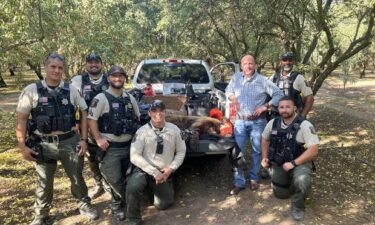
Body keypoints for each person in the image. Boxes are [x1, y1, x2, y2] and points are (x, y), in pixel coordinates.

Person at [15, 53, 98, 225]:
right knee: (44, 181)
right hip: (43, 144)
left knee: (76, 176)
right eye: (53, 66)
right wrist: (22, 146)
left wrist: (83, 139)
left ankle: (84, 204)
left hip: (69, 141)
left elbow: (83, 112)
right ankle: (41, 214)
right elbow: (22, 119)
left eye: (60, 67)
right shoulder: (32, 90)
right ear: (45, 67)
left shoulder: (71, 89)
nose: (56, 70)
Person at [225, 53, 283, 195]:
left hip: (258, 122)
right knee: (238, 153)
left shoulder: (263, 80)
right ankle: (239, 182)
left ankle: (254, 179)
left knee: (257, 151)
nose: (248, 66)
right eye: (245, 63)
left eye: (251, 63)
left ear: (255, 65)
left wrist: (266, 106)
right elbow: (228, 90)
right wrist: (233, 97)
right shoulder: (236, 78)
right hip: (239, 121)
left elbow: (279, 94)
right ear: (241, 66)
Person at [87, 66, 140, 221]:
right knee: (114, 180)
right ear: (109, 78)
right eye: (114, 76)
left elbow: (137, 117)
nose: (118, 79)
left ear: (125, 78)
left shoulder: (130, 98)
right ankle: (118, 206)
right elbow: (91, 120)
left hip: (130, 146)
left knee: (129, 178)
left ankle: (123, 203)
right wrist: (98, 139)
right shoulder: (101, 98)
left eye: (121, 76)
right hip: (111, 149)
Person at [126, 100, 186, 225]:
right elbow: (134, 156)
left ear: (165, 112)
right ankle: (133, 219)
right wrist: (153, 172)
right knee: (132, 187)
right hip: (145, 170)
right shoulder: (141, 131)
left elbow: (181, 151)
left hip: (164, 172)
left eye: (161, 111)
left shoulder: (174, 129)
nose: (158, 114)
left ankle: (158, 188)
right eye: (154, 111)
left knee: (163, 204)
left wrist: (171, 169)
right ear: (149, 113)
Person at [261, 96, 319, 221]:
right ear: (278, 109)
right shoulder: (273, 123)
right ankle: (285, 179)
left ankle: (298, 206)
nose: (284, 110)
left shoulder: (304, 125)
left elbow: (313, 150)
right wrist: (265, 157)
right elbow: (265, 139)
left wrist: (294, 163)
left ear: (294, 108)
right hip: (280, 162)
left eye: (288, 106)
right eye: (281, 107)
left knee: (302, 180)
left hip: (299, 162)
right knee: (281, 195)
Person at [71, 52, 109, 199]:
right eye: (90, 62)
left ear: (101, 64)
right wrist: (75, 125)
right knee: (92, 157)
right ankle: (98, 184)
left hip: (107, 126)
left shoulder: (109, 79)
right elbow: (72, 105)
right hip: (86, 126)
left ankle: (108, 184)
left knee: (107, 155)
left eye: (97, 62)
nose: (94, 64)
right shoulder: (78, 81)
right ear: (86, 64)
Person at [270, 52, 314, 118]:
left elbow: (310, 98)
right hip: (275, 116)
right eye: (284, 60)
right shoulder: (274, 77)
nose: (287, 62)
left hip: (293, 116)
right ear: (281, 62)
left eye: (290, 60)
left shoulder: (299, 77)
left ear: (293, 62)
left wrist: (302, 116)